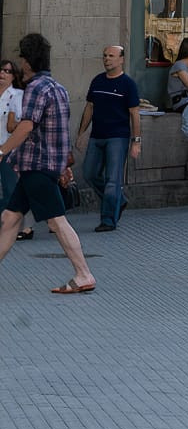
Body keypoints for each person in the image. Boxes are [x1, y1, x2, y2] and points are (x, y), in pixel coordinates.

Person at [0, 35, 93, 293]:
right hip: (42, 164)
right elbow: (60, 132)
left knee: (56, 221)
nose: (19, 63)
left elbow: (27, 126)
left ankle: (83, 274)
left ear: (28, 61)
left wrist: (2, 150)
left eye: (21, 58)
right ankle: (83, 273)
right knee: (9, 218)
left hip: (36, 166)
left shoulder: (36, 89)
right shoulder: (57, 87)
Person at [75, 44, 142, 233]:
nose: (107, 59)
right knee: (89, 173)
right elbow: (89, 107)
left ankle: (108, 220)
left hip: (118, 138)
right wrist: (81, 133)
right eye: (105, 55)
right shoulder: (97, 81)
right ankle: (118, 201)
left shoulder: (128, 84)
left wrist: (136, 141)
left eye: (111, 56)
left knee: (113, 180)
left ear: (121, 59)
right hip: (97, 136)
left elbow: (135, 114)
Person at [0, 61, 29, 243]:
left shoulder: (17, 95)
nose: (3, 73)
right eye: (1, 70)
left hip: (8, 148)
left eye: (7, 71)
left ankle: (20, 226)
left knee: (11, 188)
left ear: (14, 75)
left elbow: (18, 124)